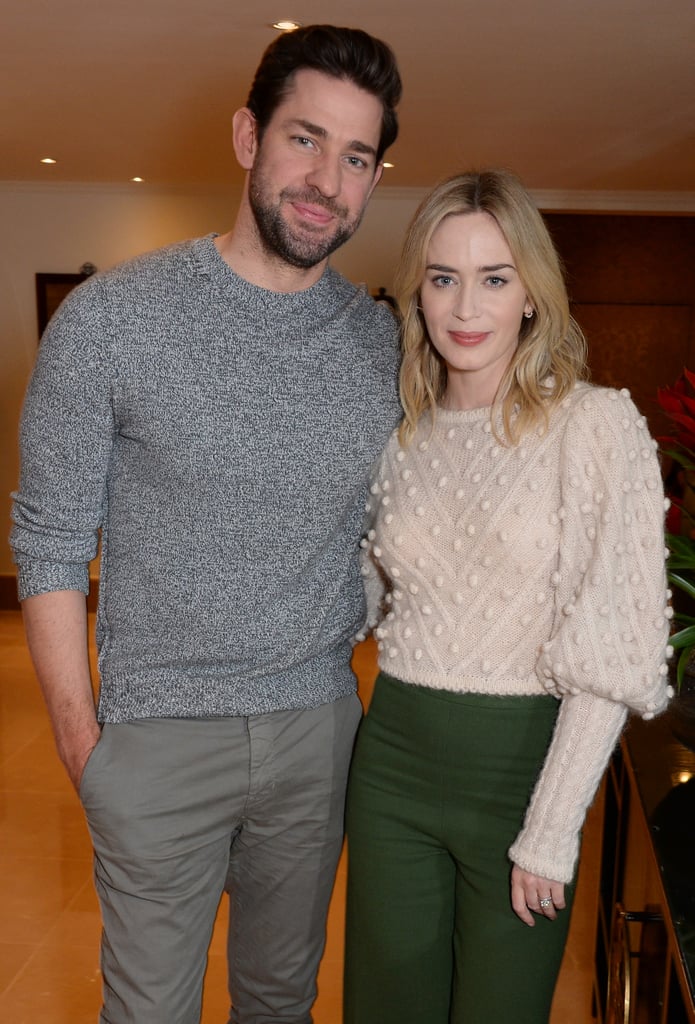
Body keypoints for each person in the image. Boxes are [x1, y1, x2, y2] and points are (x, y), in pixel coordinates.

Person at [10, 25, 402, 1024]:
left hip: (316, 733)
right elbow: (49, 540)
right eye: (304, 139)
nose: (326, 179)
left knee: (279, 1001)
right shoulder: (109, 319)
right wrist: (85, 745)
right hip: (155, 736)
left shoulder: (380, 345)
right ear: (246, 137)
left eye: (355, 156)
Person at [343, 169, 672, 1024]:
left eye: (493, 278)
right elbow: (367, 598)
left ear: (532, 293)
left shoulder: (594, 426)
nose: (464, 306)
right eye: (443, 277)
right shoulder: (402, 433)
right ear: (417, 289)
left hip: (521, 771)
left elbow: (613, 653)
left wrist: (552, 828)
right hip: (394, 764)